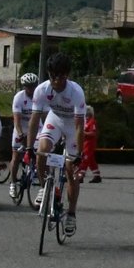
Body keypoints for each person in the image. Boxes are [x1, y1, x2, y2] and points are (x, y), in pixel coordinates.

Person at [31, 54, 85, 235]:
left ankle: (71, 213)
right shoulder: (42, 89)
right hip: (55, 119)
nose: (55, 81)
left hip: (72, 126)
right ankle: (43, 187)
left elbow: (79, 127)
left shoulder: (76, 92)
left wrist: (79, 154)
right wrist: (30, 147)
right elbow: (34, 119)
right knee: (41, 151)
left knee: (71, 170)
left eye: (60, 77)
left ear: (67, 75)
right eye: (52, 76)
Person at [9, 72, 39, 200]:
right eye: (28, 86)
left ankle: (36, 171)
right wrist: (21, 134)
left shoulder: (39, 96)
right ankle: (13, 183)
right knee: (16, 156)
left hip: (36, 127)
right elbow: (17, 120)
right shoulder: (19, 97)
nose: (31, 89)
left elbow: (43, 118)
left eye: (33, 86)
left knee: (40, 151)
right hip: (21, 127)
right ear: (24, 86)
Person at [79, 106, 102, 183]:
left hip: (89, 144)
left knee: (84, 159)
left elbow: (93, 133)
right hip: (85, 143)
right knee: (91, 160)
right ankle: (97, 175)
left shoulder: (92, 122)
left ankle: (80, 175)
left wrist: (83, 133)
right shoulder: (86, 121)